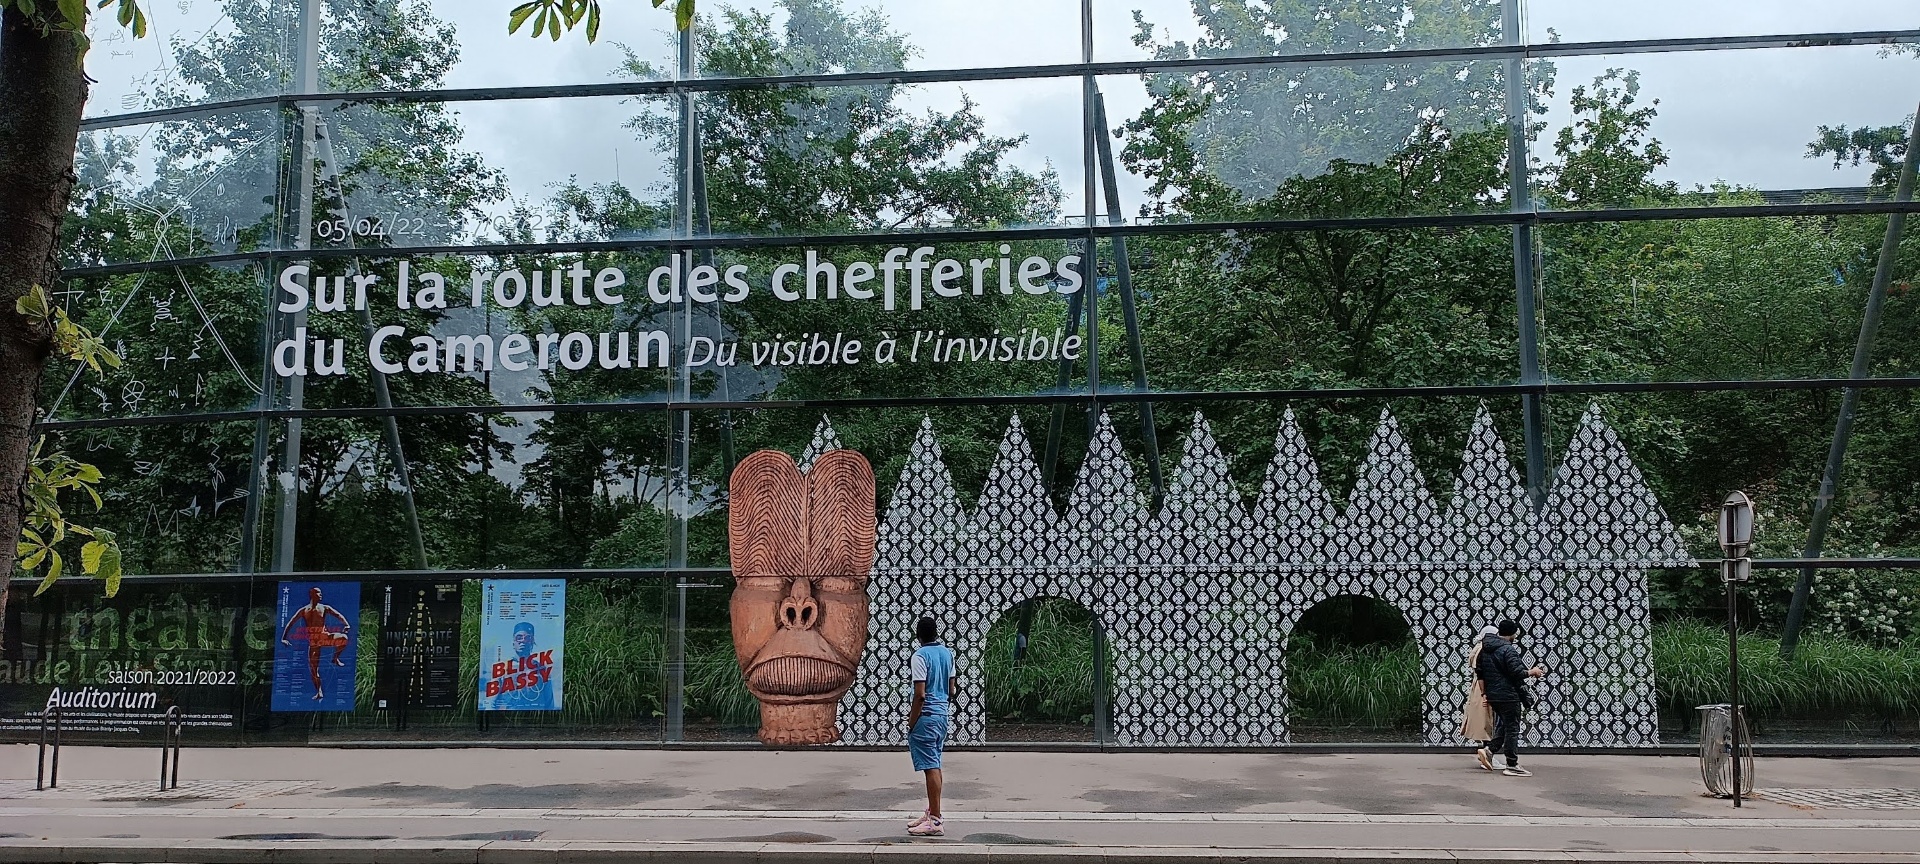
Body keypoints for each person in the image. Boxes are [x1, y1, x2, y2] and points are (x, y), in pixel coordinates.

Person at [905, 616, 956, 837]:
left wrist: (911, 722)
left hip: (925, 716)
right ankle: (933, 813)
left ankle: (935, 821)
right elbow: (952, 690)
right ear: (936, 633)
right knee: (935, 763)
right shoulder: (947, 654)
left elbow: (920, 694)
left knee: (930, 767)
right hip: (942, 715)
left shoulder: (919, 656)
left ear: (918, 636)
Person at [1476, 619, 1545, 776]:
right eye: (1515, 633)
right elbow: (1517, 672)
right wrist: (1533, 672)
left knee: (1504, 726)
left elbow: (1480, 673)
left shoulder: (1484, 649)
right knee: (1512, 729)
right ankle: (1512, 764)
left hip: (1493, 695)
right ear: (1511, 633)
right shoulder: (1508, 649)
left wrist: (1484, 694)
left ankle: (1489, 751)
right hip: (1508, 695)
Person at [280, 587, 352, 701]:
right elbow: (291, 623)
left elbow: (338, 615)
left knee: (344, 638)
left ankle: (335, 658)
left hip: (325, 637)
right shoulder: (304, 610)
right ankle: (319, 692)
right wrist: (283, 638)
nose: (321, 595)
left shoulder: (324, 607)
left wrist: (346, 624)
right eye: (319, 593)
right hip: (314, 643)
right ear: (312, 594)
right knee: (314, 670)